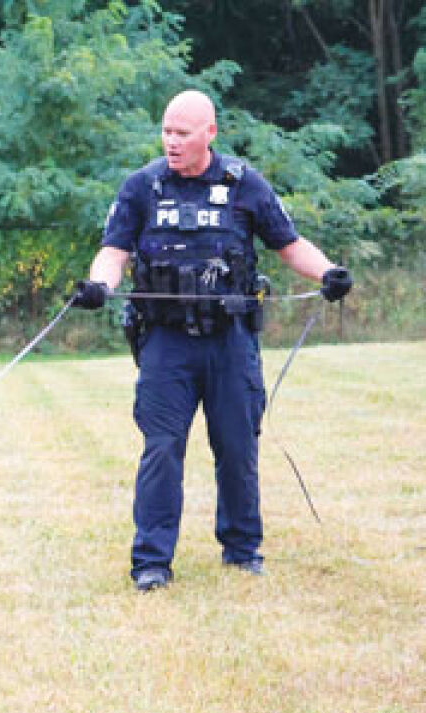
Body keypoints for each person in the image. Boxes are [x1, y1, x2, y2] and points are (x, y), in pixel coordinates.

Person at [71, 90, 352, 591]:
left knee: (238, 448)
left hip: (231, 342)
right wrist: (99, 286)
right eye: (166, 131)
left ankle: (242, 550)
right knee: (161, 449)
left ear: (210, 133)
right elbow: (112, 251)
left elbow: (289, 245)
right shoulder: (142, 187)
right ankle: (152, 562)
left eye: (182, 132)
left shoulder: (245, 186)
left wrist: (328, 271)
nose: (171, 141)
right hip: (166, 345)